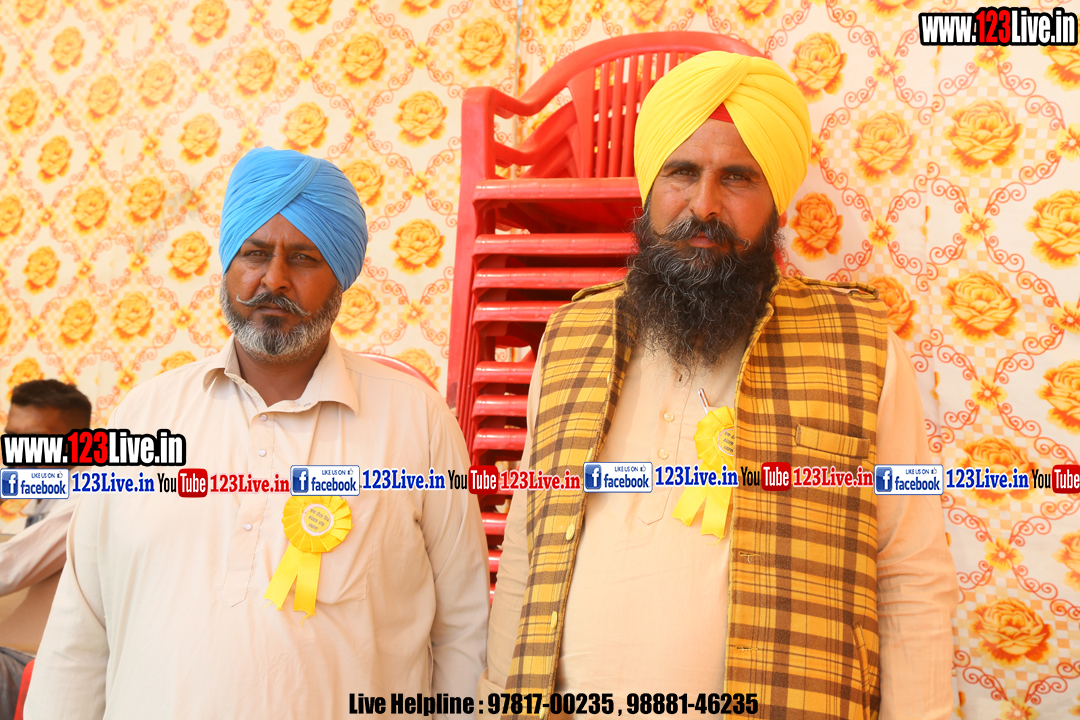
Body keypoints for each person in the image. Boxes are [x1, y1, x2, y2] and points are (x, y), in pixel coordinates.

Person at [482, 52, 957, 719]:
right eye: (682, 172)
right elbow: (527, 555)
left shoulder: (861, 345)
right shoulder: (569, 337)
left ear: (775, 200)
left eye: (737, 177)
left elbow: (910, 573)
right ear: (650, 187)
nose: (703, 205)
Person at [26, 147, 490, 719]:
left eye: (304, 258)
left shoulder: (417, 420)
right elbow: (80, 629)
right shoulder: (143, 415)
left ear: (341, 276)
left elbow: (464, 632)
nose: (274, 279)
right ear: (228, 262)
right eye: (255, 253)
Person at [0, 380, 91, 720]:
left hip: (51, 668)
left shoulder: (87, 496)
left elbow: (8, 569)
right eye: (12, 437)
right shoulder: (46, 492)